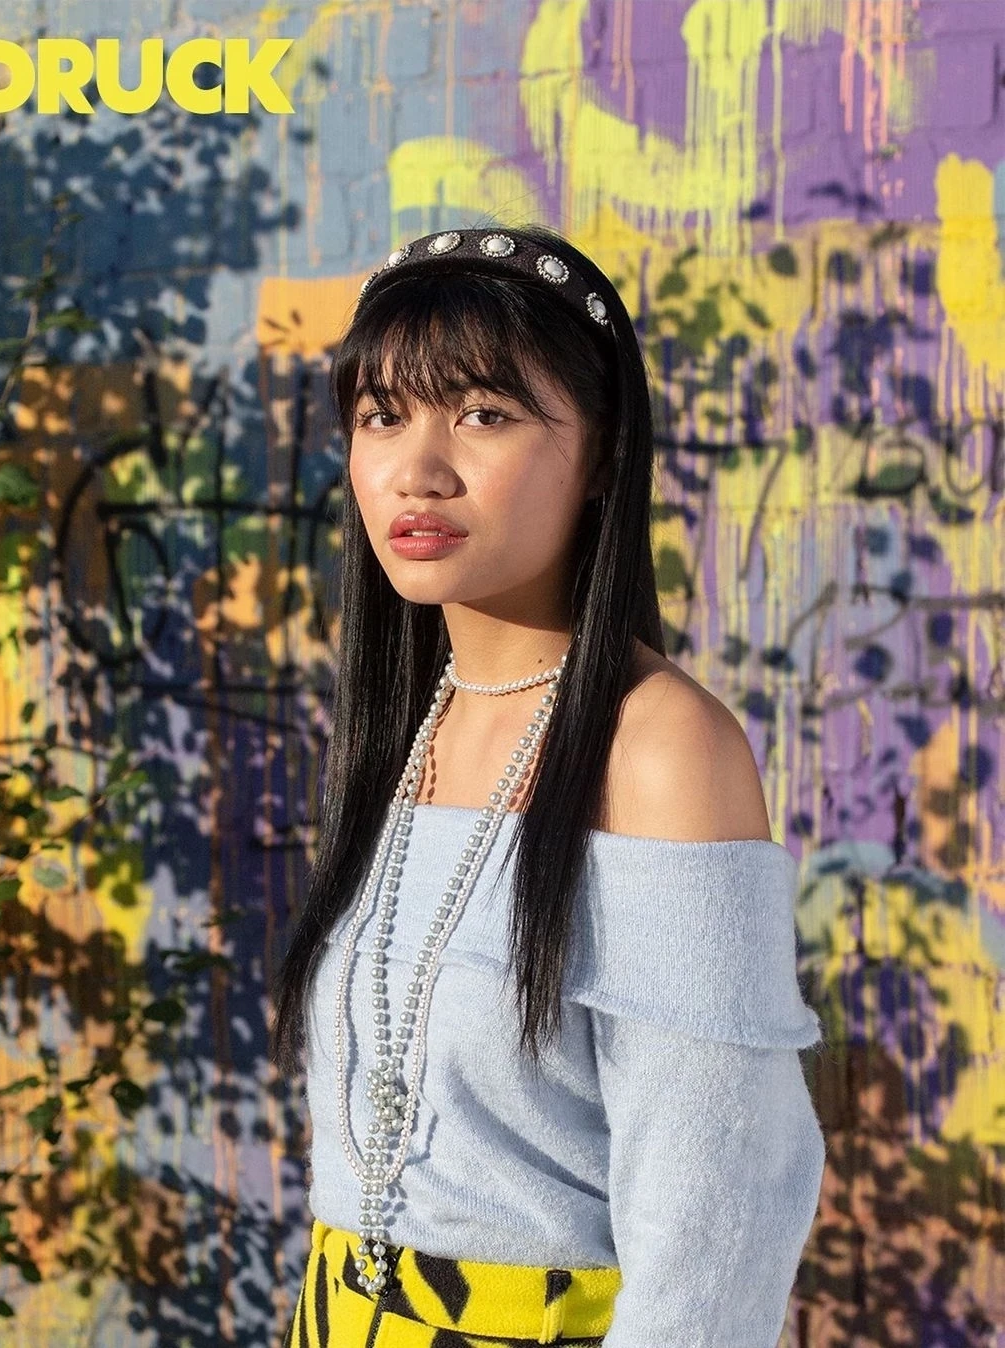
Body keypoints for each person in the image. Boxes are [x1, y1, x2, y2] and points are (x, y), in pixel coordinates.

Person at [270, 222, 827, 1347]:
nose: (419, 468)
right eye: (382, 415)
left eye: (485, 413)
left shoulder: (660, 748)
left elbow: (717, 1222)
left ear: (605, 453)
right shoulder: (406, 731)